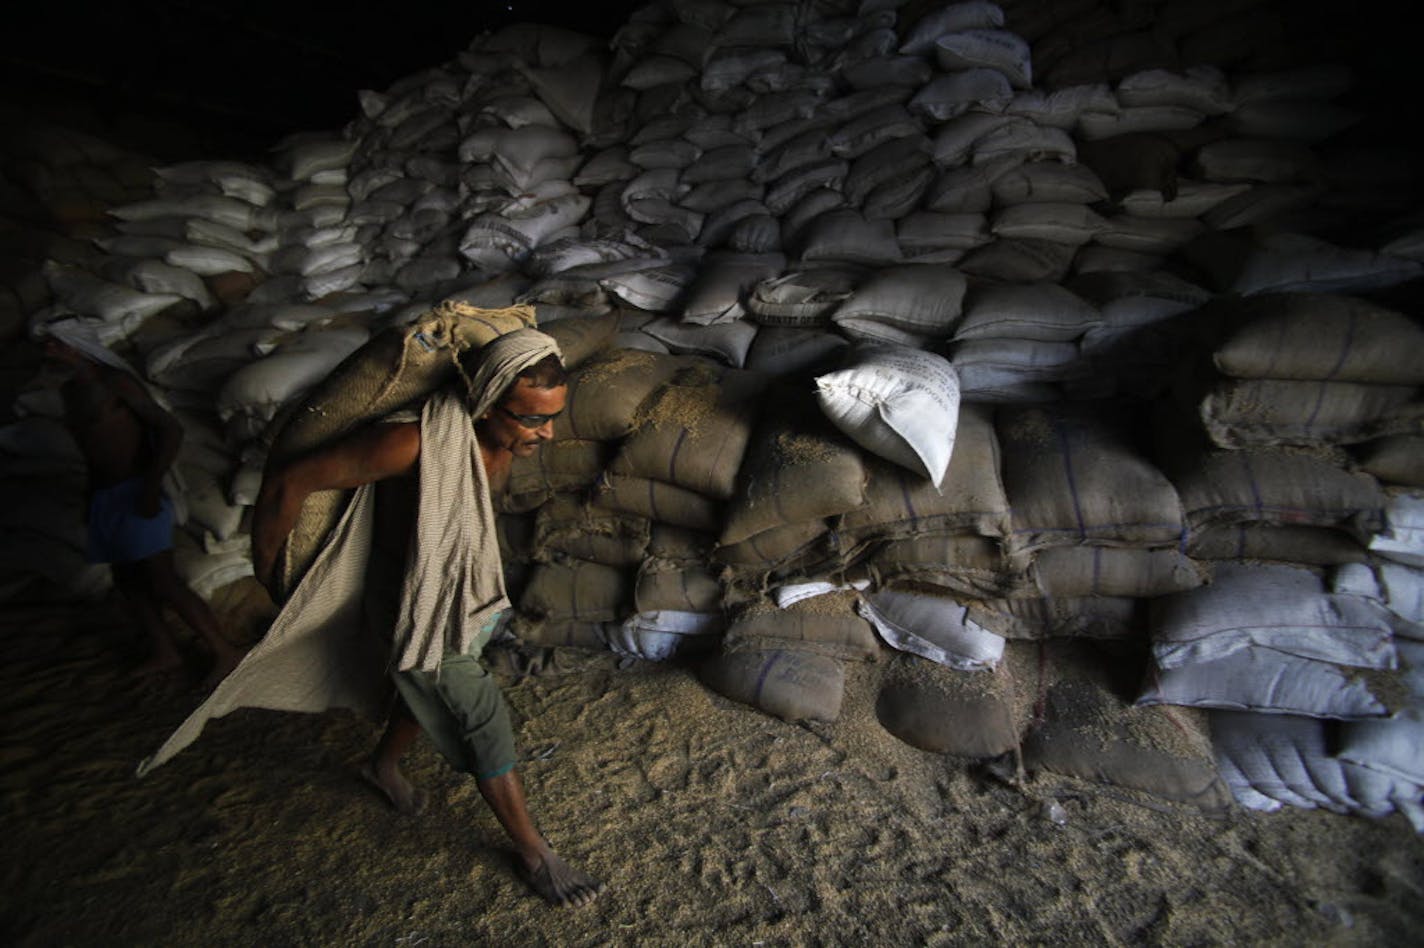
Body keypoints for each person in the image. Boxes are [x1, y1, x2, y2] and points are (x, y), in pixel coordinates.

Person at [248, 327, 604, 909]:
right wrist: (271, 575)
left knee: (418, 695)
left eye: (553, 417)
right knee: (480, 715)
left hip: (465, 592)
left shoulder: (502, 441)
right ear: (488, 402)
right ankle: (536, 852)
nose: (547, 432)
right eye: (531, 419)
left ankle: (380, 766)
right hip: (414, 604)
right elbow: (293, 479)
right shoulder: (412, 443)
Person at [37, 318, 245, 690]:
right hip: (105, 496)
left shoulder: (117, 385)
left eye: (56, 344)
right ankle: (164, 650)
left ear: (76, 347)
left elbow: (169, 429)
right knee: (127, 580)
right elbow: (90, 451)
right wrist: (92, 497)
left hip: (138, 489)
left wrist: (150, 486)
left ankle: (224, 651)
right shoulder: (70, 393)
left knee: (162, 579)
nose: (48, 351)